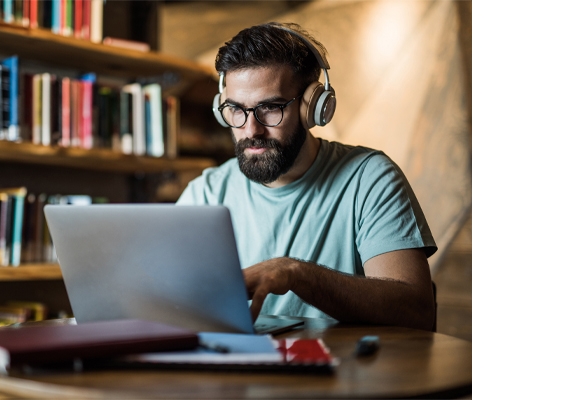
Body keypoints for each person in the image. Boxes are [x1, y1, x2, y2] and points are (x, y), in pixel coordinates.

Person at [177, 22, 437, 332]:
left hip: (339, 374)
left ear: (313, 107)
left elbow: (417, 309)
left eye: (270, 108)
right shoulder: (205, 193)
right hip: (233, 372)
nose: (251, 130)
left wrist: (296, 275)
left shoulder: (370, 179)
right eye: (236, 109)